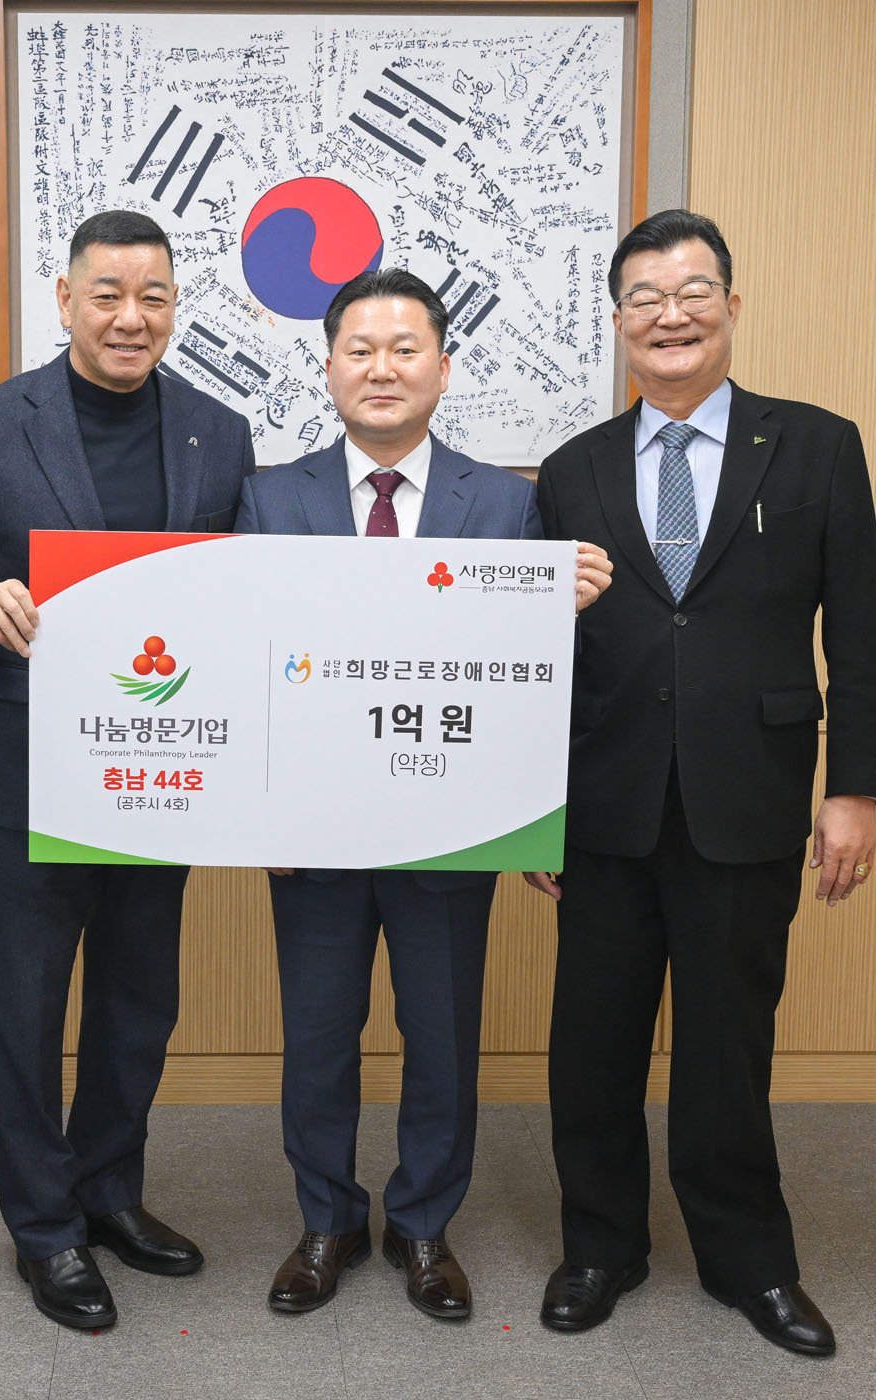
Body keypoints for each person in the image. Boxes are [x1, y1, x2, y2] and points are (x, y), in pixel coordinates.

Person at [529, 210, 876, 1354]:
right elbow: (536, 656)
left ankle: (749, 1261)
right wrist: (532, 812)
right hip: (605, 803)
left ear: (732, 307)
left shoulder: (818, 446)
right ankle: (601, 1245)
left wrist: (855, 788)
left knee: (729, 1045)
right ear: (618, 323)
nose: (671, 314)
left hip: (749, 796)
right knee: (592, 1044)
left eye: (693, 292)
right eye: (644, 297)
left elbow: (862, 632)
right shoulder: (572, 469)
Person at [0, 210, 255, 1331]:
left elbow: (247, 594)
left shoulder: (219, 432)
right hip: (27, 770)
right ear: (65, 300)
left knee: (139, 1006)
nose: (130, 317)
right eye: (108, 294)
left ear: (175, 307)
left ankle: (109, 1193)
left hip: (161, 770)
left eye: (153, 297)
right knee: (25, 1010)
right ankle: (43, 1228)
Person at [236, 269, 613, 1322]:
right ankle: (326, 1219)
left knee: (442, 1036)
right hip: (313, 824)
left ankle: (423, 1224)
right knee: (318, 1037)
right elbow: (246, 652)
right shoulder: (271, 495)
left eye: (405, 349)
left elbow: (532, 672)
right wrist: (255, 805)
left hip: (452, 824)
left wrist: (567, 612)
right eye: (360, 349)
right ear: (327, 368)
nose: (382, 368)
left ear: (443, 368)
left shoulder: (506, 502)